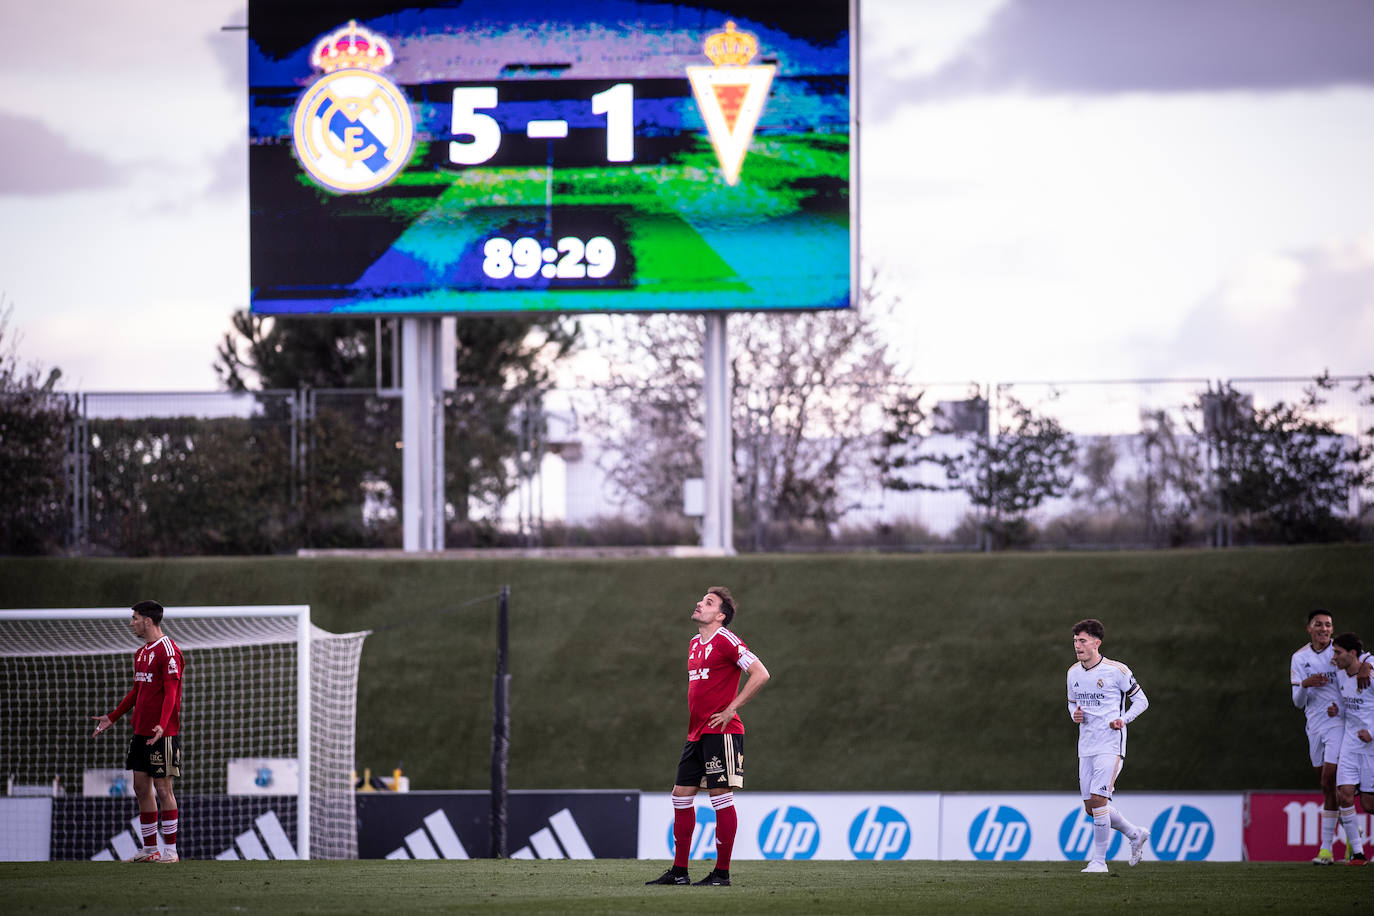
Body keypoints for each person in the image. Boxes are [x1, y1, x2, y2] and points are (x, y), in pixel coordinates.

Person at [646, 587, 770, 887]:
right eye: (702, 600)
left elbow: (761, 673)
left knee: (720, 798)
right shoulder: (693, 644)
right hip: (697, 734)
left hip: (722, 732)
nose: (700, 604)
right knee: (680, 797)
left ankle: (722, 874)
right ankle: (679, 871)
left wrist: (732, 708)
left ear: (720, 615)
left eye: (708, 602)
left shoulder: (726, 640)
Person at [91, 600, 184, 863]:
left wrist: (164, 724)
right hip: (141, 732)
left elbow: (171, 693)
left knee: (164, 790)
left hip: (162, 733)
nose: (131, 623)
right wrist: (113, 717)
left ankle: (171, 851)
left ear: (147, 620)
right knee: (141, 787)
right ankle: (150, 849)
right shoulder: (141, 653)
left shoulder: (169, 650)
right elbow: (136, 691)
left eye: (134, 618)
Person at [1067, 618, 1150, 874]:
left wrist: (1122, 719)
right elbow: (1072, 704)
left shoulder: (1117, 671)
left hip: (1110, 745)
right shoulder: (1073, 673)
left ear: (1096, 642)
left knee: (1099, 799)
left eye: (1082, 640)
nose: (1077, 646)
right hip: (1086, 746)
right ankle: (1134, 833)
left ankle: (1099, 862)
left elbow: (1142, 701)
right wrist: (1075, 715)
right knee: (1091, 808)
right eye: (1075, 641)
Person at [1291, 608, 1369, 863]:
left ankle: (1326, 849)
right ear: (1309, 628)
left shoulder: (1338, 652)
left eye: (1328, 625)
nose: (1324, 629)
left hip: (1339, 724)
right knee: (1326, 787)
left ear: (1332, 629)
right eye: (1318, 624)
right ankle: (1347, 835)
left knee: (1331, 780)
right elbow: (1298, 703)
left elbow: (1361, 657)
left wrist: (1367, 666)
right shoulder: (1299, 658)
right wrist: (1305, 685)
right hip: (1315, 726)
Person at [1330, 632, 1374, 865]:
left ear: (1353, 654)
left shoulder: (1371, 673)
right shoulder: (1340, 676)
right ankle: (1358, 854)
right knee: (1344, 795)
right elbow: (1348, 705)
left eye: (1338, 652)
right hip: (1350, 745)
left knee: (1368, 804)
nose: (1334, 656)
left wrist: (1372, 733)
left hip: (1370, 749)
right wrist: (1337, 710)